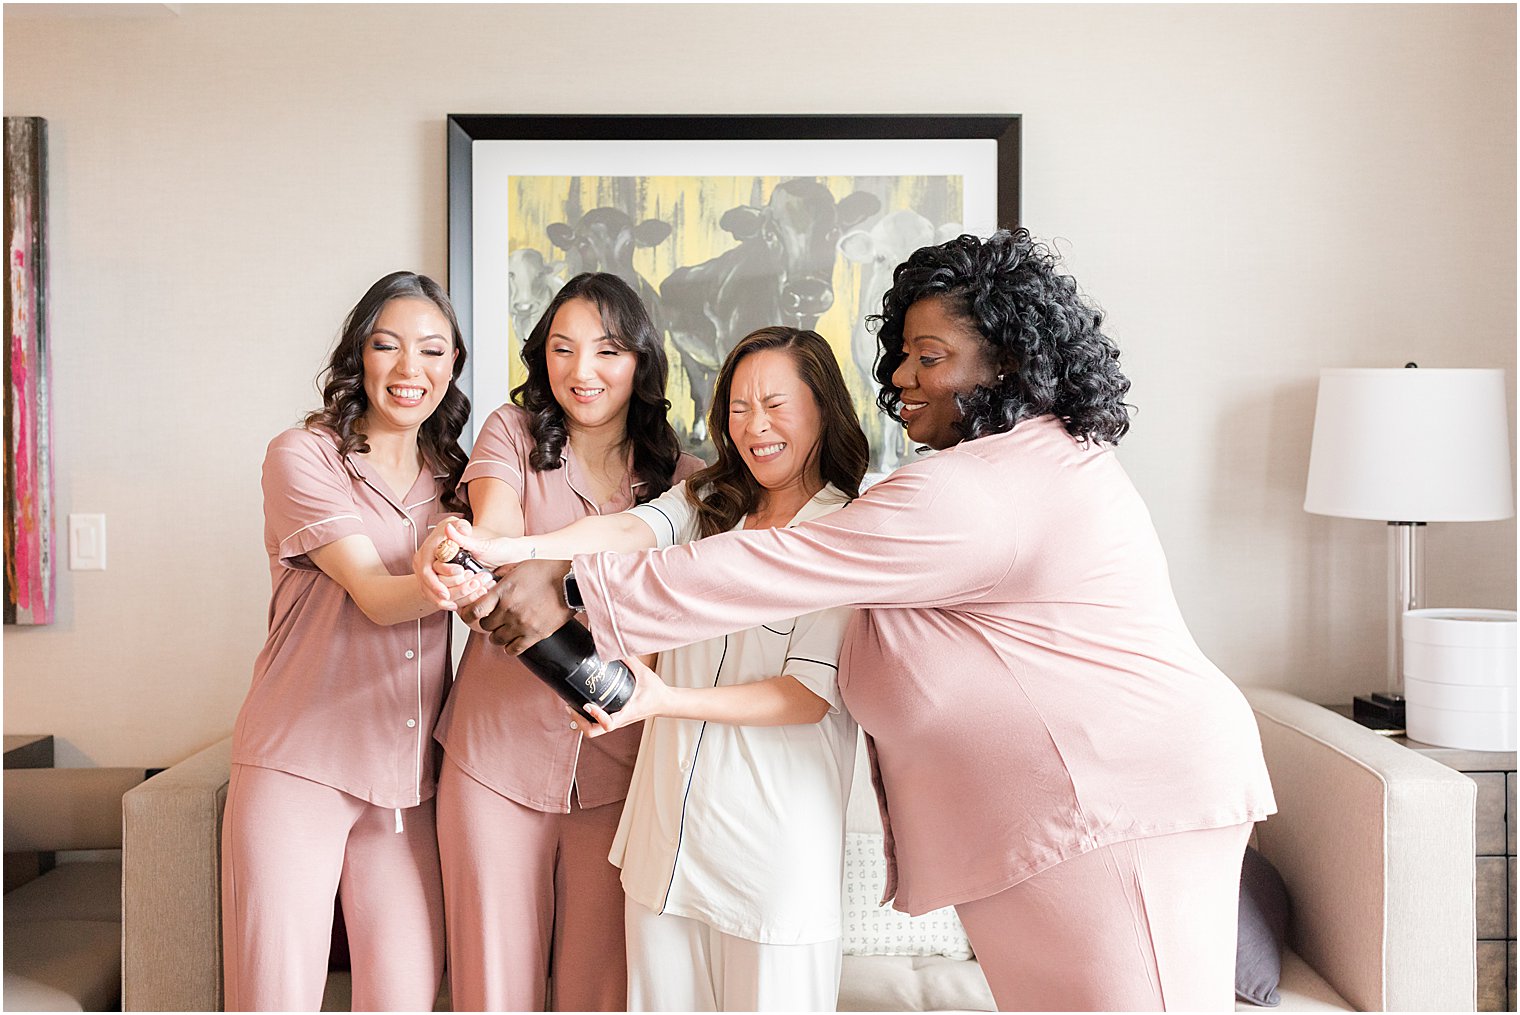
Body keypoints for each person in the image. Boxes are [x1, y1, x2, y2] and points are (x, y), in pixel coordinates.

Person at [467, 230, 1279, 1012]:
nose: (902, 375)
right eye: (903, 353)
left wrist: (566, 595)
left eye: (932, 357)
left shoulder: (970, 492)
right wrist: (521, 550)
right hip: (1049, 815)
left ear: (1011, 362)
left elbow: (779, 568)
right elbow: (655, 531)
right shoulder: (1027, 462)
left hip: (1108, 804)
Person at [426, 327, 870, 1012]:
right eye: (739, 407)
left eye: (776, 404)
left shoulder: (846, 532)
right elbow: (625, 532)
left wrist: (663, 698)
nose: (755, 426)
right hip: (665, 853)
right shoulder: (711, 502)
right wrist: (513, 545)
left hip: (771, 858)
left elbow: (807, 695)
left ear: (823, 408)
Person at [415, 272, 704, 1012]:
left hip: (620, 772)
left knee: (598, 993)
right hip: (492, 759)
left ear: (641, 361)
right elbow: (499, 544)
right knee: (491, 988)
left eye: (607, 351)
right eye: (562, 348)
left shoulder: (684, 480)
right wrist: (509, 568)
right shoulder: (511, 432)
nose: (581, 371)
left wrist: (552, 585)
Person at [223, 271, 485, 1011]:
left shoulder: (458, 480)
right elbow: (374, 593)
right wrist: (445, 581)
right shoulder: (302, 456)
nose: (411, 368)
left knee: (404, 996)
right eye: (388, 345)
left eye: (433, 350)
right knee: (275, 997)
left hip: (405, 784)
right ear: (358, 355)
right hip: (297, 765)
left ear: (454, 365)